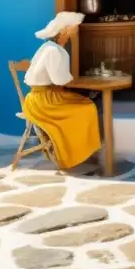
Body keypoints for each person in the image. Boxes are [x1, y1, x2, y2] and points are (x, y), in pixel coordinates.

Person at [23, 11, 102, 171]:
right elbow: (60, 80)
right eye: (74, 27)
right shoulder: (55, 51)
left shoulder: (48, 47)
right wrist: (76, 80)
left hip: (42, 96)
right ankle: (74, 153)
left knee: (85, 102)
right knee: (87, 109)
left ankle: (81, 151)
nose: (77, 30)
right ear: (65, 31)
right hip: (44, 101)